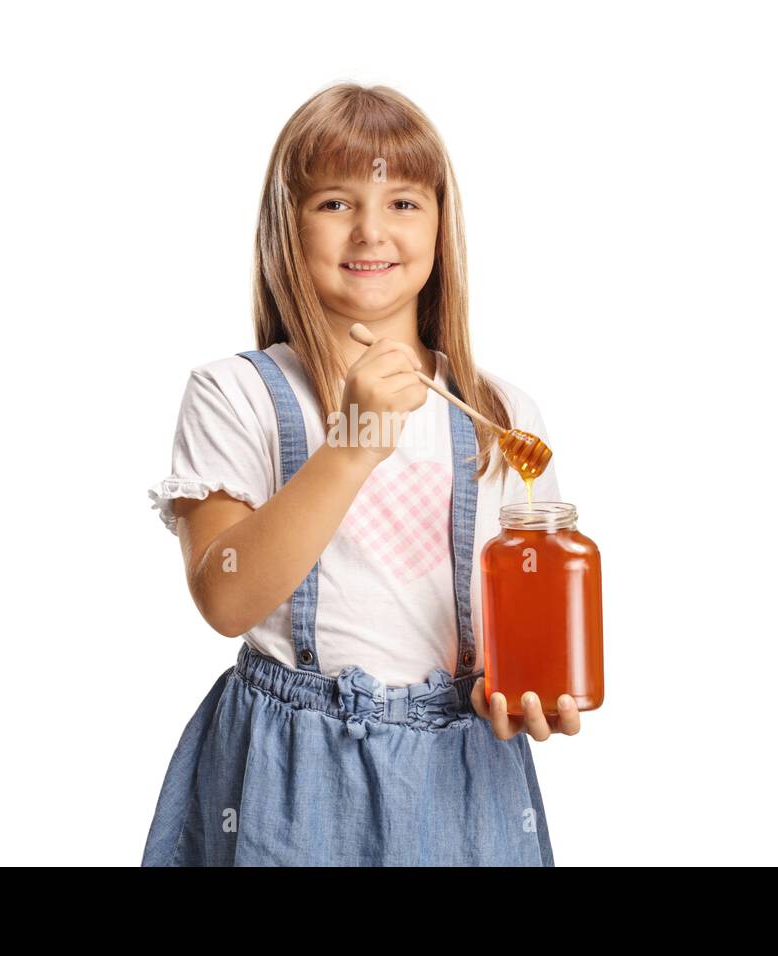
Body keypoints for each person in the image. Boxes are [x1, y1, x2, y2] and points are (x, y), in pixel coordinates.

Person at [141, 83, 583, 867]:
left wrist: (518, 688)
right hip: (288, 774)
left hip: (463, 775)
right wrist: (353, 442)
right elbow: (225, 594)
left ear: (442, 226)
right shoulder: (235, 393)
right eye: (336, 203)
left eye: (405, 202)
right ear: (287, 226)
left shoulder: (501, 416)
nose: (372, 230)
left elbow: (529, 601)